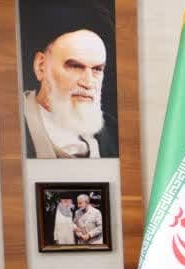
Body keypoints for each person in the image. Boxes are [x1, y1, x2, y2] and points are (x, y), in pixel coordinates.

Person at [21, 8, 118, 159]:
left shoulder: (113, 131)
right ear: (41, 66)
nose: (88, 82)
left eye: (97, 69)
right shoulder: (12, 126)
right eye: (75, 67)